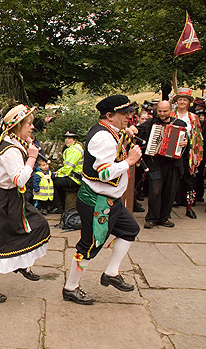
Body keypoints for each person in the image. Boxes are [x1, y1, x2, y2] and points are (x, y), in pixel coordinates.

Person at [62, 95, 142, 305]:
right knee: (89, 246)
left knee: (130, 230)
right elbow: (105, 174)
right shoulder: (103, 138)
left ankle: (111, 273)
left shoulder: (111, 132)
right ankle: (71, 288)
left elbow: (115, 148)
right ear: (109, 115)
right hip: (97, 201)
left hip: (109, 201)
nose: (129, 117)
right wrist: (129, 161)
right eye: (124, 114)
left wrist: (128, 135)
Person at [0, 104, 51, 302]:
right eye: (29, 123)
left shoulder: (14, 143)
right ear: (18, 126)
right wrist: (32, 159)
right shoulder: (10, 150)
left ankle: (21, 263)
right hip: (1, 202)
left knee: (38, 226)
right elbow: (19, 179)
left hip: (11, 200)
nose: (32, 127)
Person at [137, 101, 188, 229]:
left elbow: (186, 143)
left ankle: (164, 218)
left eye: (165, 111)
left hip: (173, 163)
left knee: (169, 191)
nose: (162, 114)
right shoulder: (151, 123)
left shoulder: (179, 125)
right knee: (155, 190)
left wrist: (184, 144)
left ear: (171, 110)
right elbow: (139, 130)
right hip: (155, 162)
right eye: (160, 111)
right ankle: (151, 218)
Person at [171, 88, 203, 219]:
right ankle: (166, 209)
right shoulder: (171, 115)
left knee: (189, 181)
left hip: (187, 153)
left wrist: (196, 155)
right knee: (171, 180)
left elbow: (198, 137)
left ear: (189, 102)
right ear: (176, 102)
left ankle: (189, 208)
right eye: (180, 100)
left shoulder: (193, 118)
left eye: (185, 100)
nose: (182, 102)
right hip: (172, 152)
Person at [50, 129, 83, 213]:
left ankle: (59, 207)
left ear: (74, 140)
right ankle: (61, 206)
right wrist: (57, 172)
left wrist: (56, 174)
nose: (67, 140)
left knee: (53, 181)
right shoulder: (73, 148)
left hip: (76, 178)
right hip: (74, 177)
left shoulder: (74, 150)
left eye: (69, 138)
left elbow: (68, 169)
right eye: (66, 138)